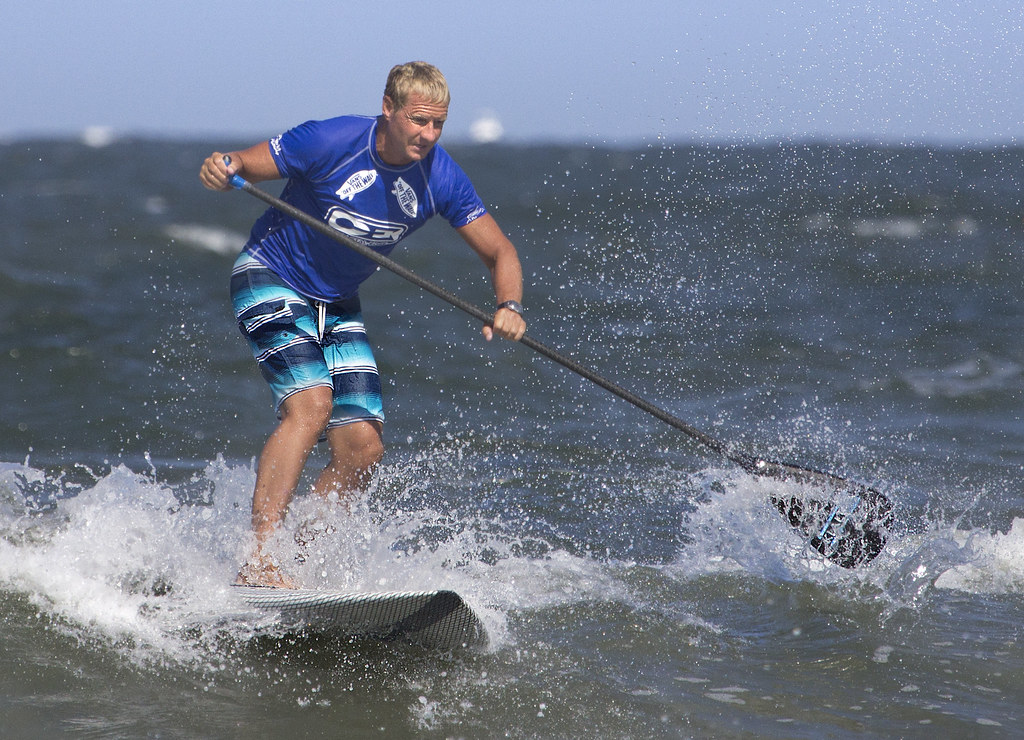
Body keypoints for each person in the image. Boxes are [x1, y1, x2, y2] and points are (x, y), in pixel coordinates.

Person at [199, 61, 526, 587]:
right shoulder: (330, 140)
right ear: (388, 108)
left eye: (439, 124)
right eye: (419, 120)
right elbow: (244, 164)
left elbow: (500, 251)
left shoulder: (439, 176)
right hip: (270, 276)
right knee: (311, 407)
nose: (429, 134)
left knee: (363, 448)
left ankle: (297, 564)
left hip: (336, 303)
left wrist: (509, 305)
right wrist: (224, 166)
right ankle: (258, 561)